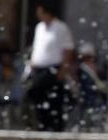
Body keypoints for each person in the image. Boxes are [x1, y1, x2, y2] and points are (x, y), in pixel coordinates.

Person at [26, 3, 75, 131]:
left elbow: (68, 49)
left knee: (53, 99)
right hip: (38, 68)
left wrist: (63, 70)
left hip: (53, 69)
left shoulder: (60, 27)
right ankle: (42, 125)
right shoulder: (39, 27)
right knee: (38, 97)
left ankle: (56, 127)